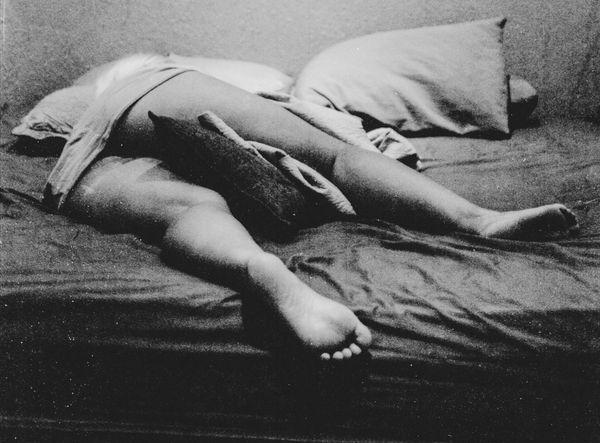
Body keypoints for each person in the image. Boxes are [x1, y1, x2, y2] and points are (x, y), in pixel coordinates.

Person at [45, 63, 578, 362]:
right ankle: (477, 219)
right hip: (159, 87)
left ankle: (260, 269)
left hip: (91, 151)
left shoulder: (108, 84)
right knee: (334, 156)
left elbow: (46, 119)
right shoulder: (187, 74)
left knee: (188, 207)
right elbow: (521, 92)